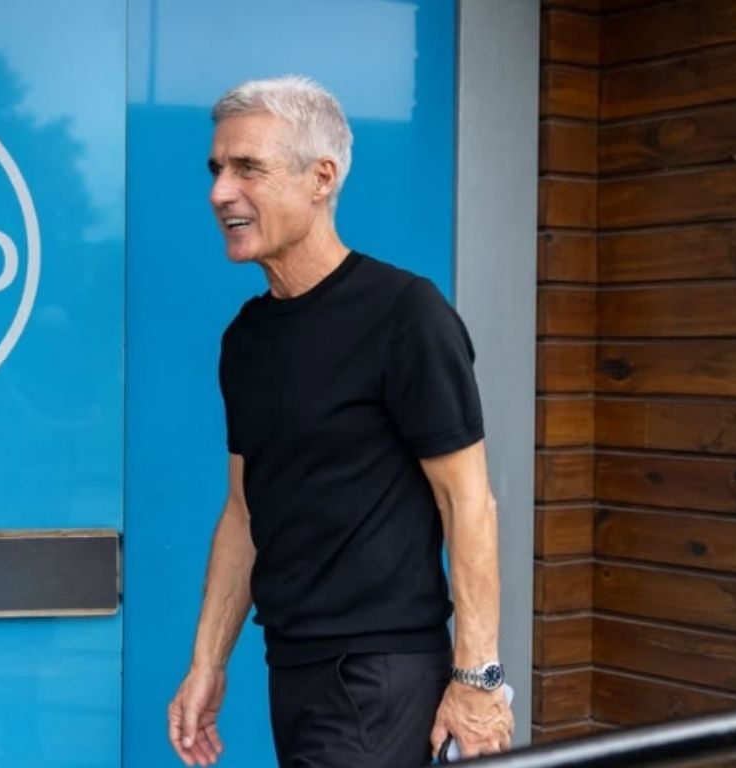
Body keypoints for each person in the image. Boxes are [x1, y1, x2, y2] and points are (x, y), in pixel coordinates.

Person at [166, 75, 515, 767]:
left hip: (382, 674)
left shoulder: (405, 315)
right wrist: (208, 663)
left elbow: (468, 500)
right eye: (216, 169)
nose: (219, 193)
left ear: (321, 176)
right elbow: (244, 511)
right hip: (292, 667)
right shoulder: (248, 337)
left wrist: (478, 681)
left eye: (248, 169)